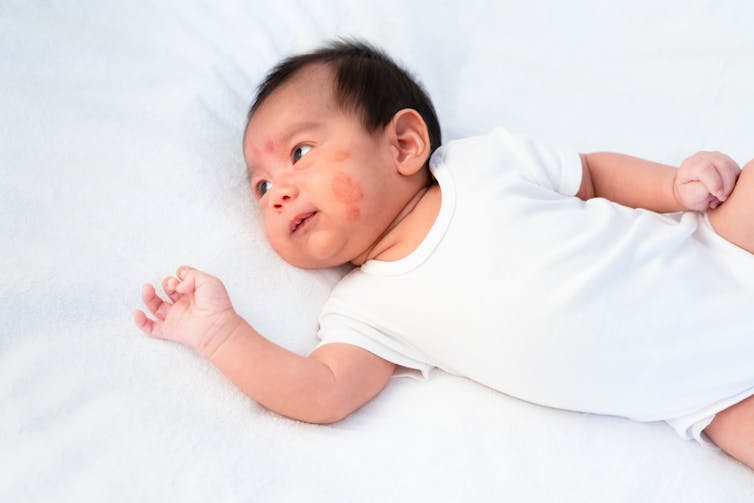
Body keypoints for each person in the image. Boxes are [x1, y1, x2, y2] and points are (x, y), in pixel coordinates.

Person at [133, 40, 754, 468]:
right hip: (706, 397)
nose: (278, 193)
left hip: (717, 248)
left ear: (403, 144)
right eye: (261, 186)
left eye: (299, 153)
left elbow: (590, 174)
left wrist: (675, 184)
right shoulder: (366, 309)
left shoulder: (481, 164)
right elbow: (321, 391)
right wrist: (222, 336)